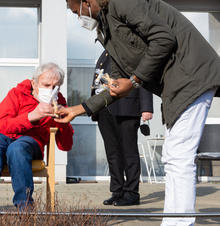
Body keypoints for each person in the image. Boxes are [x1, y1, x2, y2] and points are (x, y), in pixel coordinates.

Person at [60, 0, 220, 225]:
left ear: (87, 1)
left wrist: (135, 80)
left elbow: (164, 38)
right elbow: (116, 87)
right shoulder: (108, 32)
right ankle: (174, 220)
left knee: (179, 155)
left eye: (76, 11)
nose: (79, 18)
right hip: (177, 85)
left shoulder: (123, 2)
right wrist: (78, 109)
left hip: (192, 76)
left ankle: (181, 222)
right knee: (173, 156)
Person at [0, 62, 74, 224]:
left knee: (17, 148)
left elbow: (65, 146)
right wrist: (31, 116)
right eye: (46, 85)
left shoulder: (60, 103)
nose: (51, 89)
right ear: (34, 83)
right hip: (1, 137)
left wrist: (63, 121)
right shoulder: (17, 94)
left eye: (56, 86)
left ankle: (25, 213)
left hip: (30, 142)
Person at [92, 50, 153, 206]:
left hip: (127, 106)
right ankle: (117, 191)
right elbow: (98, 79)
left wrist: (146, 107)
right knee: (113, 153)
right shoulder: (105, 53)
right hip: (104, 107)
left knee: (129, 153)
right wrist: (94, 107)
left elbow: (143, 76)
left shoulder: (130, 48)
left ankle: (132, 193)